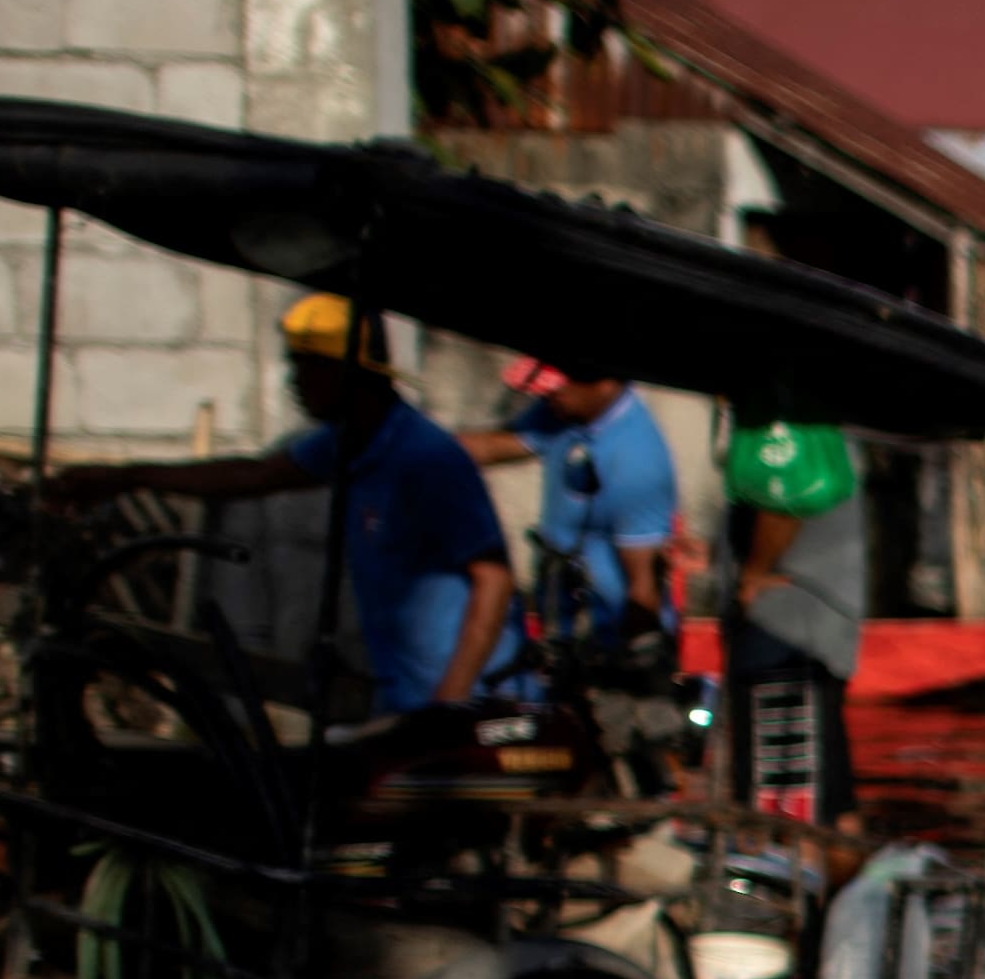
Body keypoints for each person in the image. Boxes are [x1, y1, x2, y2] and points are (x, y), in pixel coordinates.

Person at [56, 291, 519, 717]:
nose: (295, 382)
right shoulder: (345, 446)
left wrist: (451, 703)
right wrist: (127, 477)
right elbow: (252, 475)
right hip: (407, 700)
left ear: (350, 373)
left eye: (308, 367)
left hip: (471, 705)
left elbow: (493, 578)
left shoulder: (427, 458)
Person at [711, 418, 869, 827]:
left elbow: (785, 499)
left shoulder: (785, 417)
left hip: (786, 628)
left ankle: (799, 889)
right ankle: (837, 888)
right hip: (802, 624)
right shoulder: (807, 416)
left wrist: (753, 573)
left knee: (786, 811)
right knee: (829, 796)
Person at [463, 359, 686, 649]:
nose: (547, 397)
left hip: (609, 642)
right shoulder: (567, 413)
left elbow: (643, 589)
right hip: (561, 624)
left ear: (605, 385)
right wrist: (421, 448)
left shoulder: (636, 459)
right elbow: (498, 445)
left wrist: (627, 666)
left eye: (557, 389)